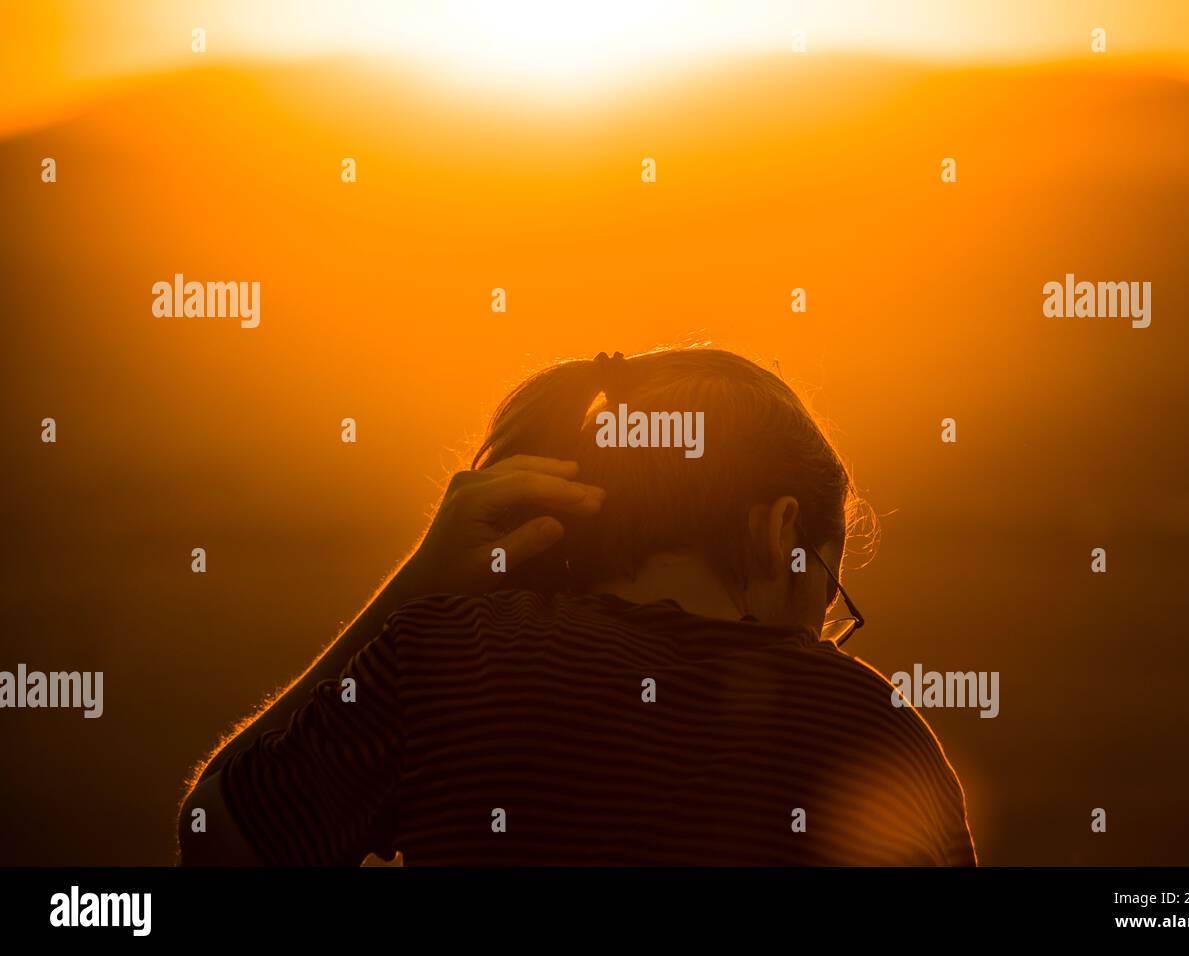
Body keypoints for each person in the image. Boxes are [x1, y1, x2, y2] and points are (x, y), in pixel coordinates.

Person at [179, 347, 977, 866]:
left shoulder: (444, 657)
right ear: (780, 531)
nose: (822, 640)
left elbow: (215, 840)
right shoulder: (873, 730)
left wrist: (417, 586)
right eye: (828, 595)